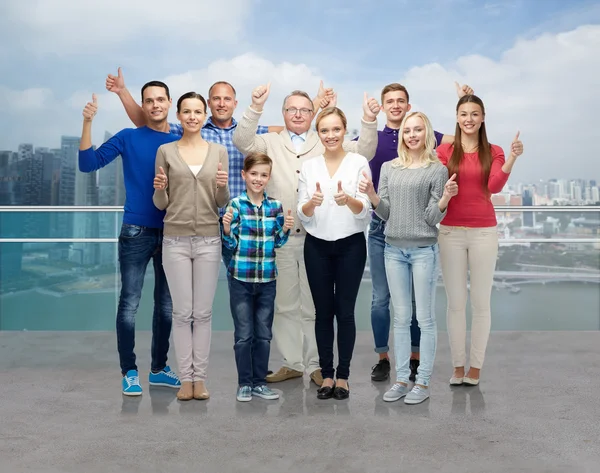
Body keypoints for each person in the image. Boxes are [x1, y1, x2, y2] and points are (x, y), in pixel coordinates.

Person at [233, 83, 380, 387]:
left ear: (314, 114)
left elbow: (365, 150)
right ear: (283, 113)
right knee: (285, 304)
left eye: (304, 110)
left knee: (315, 306)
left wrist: (367, 120)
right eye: (291, 109)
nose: (297, 114)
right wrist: (255, 106)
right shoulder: (269, 142)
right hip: (282, 236)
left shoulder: (326, 140)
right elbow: (241, 140)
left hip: (318, 236)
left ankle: (318, 365)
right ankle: (292, 362)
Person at [362, 82, 473, 383]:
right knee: (380, 299)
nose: (396, 105)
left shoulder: (425, 134)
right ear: (383, 106)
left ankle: (414, 358)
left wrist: (465, 101)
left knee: (414, 304)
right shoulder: (372, 138)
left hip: (418, 231)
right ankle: (383, 357)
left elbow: (465, 136)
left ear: (409, 107)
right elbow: (339, 147)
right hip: (381, 228)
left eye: (401, 101)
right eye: (390, 101)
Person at [78, 81, 182, 396]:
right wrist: (88, 122)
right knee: (130, 304)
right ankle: (129, 372)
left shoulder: (181, 140)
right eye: (148, 101)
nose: (155, 105)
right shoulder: (128, 137)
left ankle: (159, 369)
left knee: (166, 306)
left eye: (160, 99)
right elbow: (87, 164)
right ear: (143, 104)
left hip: (173, 231)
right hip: (136, 231)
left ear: (169, 103)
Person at [436, 94, 524, 386]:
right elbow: (435, 185)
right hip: (450, 233)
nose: (469, 119)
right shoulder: (445, 151)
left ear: (483, 117)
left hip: (484, 232)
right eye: (463, 114)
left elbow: (494, 185)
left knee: (481, 303)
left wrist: (511, 158)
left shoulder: (494, 151)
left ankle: (476, 367)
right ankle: (458, 366)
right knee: (456, 304)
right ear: (457, 117)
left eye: (475, 114)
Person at [152, 92, 229, 401]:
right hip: (175, 240)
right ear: (179, 116)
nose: (193, 116)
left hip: (210, 239)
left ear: (204, 114)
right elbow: (161, 204)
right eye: (187, 111)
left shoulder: (218, 151)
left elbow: (221, 202)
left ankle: (201, 379)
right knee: (183, 313)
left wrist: (222, 186)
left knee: (204, 313)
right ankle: (186, 380)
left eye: (198, 111)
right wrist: (159, 190)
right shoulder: (165, 151)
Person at [297, 107, 371, 400]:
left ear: (345, 130)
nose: (330, 135)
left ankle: (344, 376)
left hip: (351, 244)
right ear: (318, 133)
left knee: (346, 312)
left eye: (335, 129)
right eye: (324, 130)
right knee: (322, 313)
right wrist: (312, 203)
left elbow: (365, 209)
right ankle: (326, 375)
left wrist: (348, 199)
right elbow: (303, 212)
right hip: (316, 245)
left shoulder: (358, 162)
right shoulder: (309, 165)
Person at [222, 152, 294, 402]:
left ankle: (259, 383)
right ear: (244, 175)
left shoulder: (275, 206)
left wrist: (285, 228)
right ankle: (244, 383)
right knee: (244, 334)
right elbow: (229, 245)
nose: (258, 179)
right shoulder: (235, 205)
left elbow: (278, 242)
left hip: (266, 280)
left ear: (269, 177)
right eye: (254, 174)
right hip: (240, 279)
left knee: (263, 334)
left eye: (263, 175)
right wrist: (226, 228)